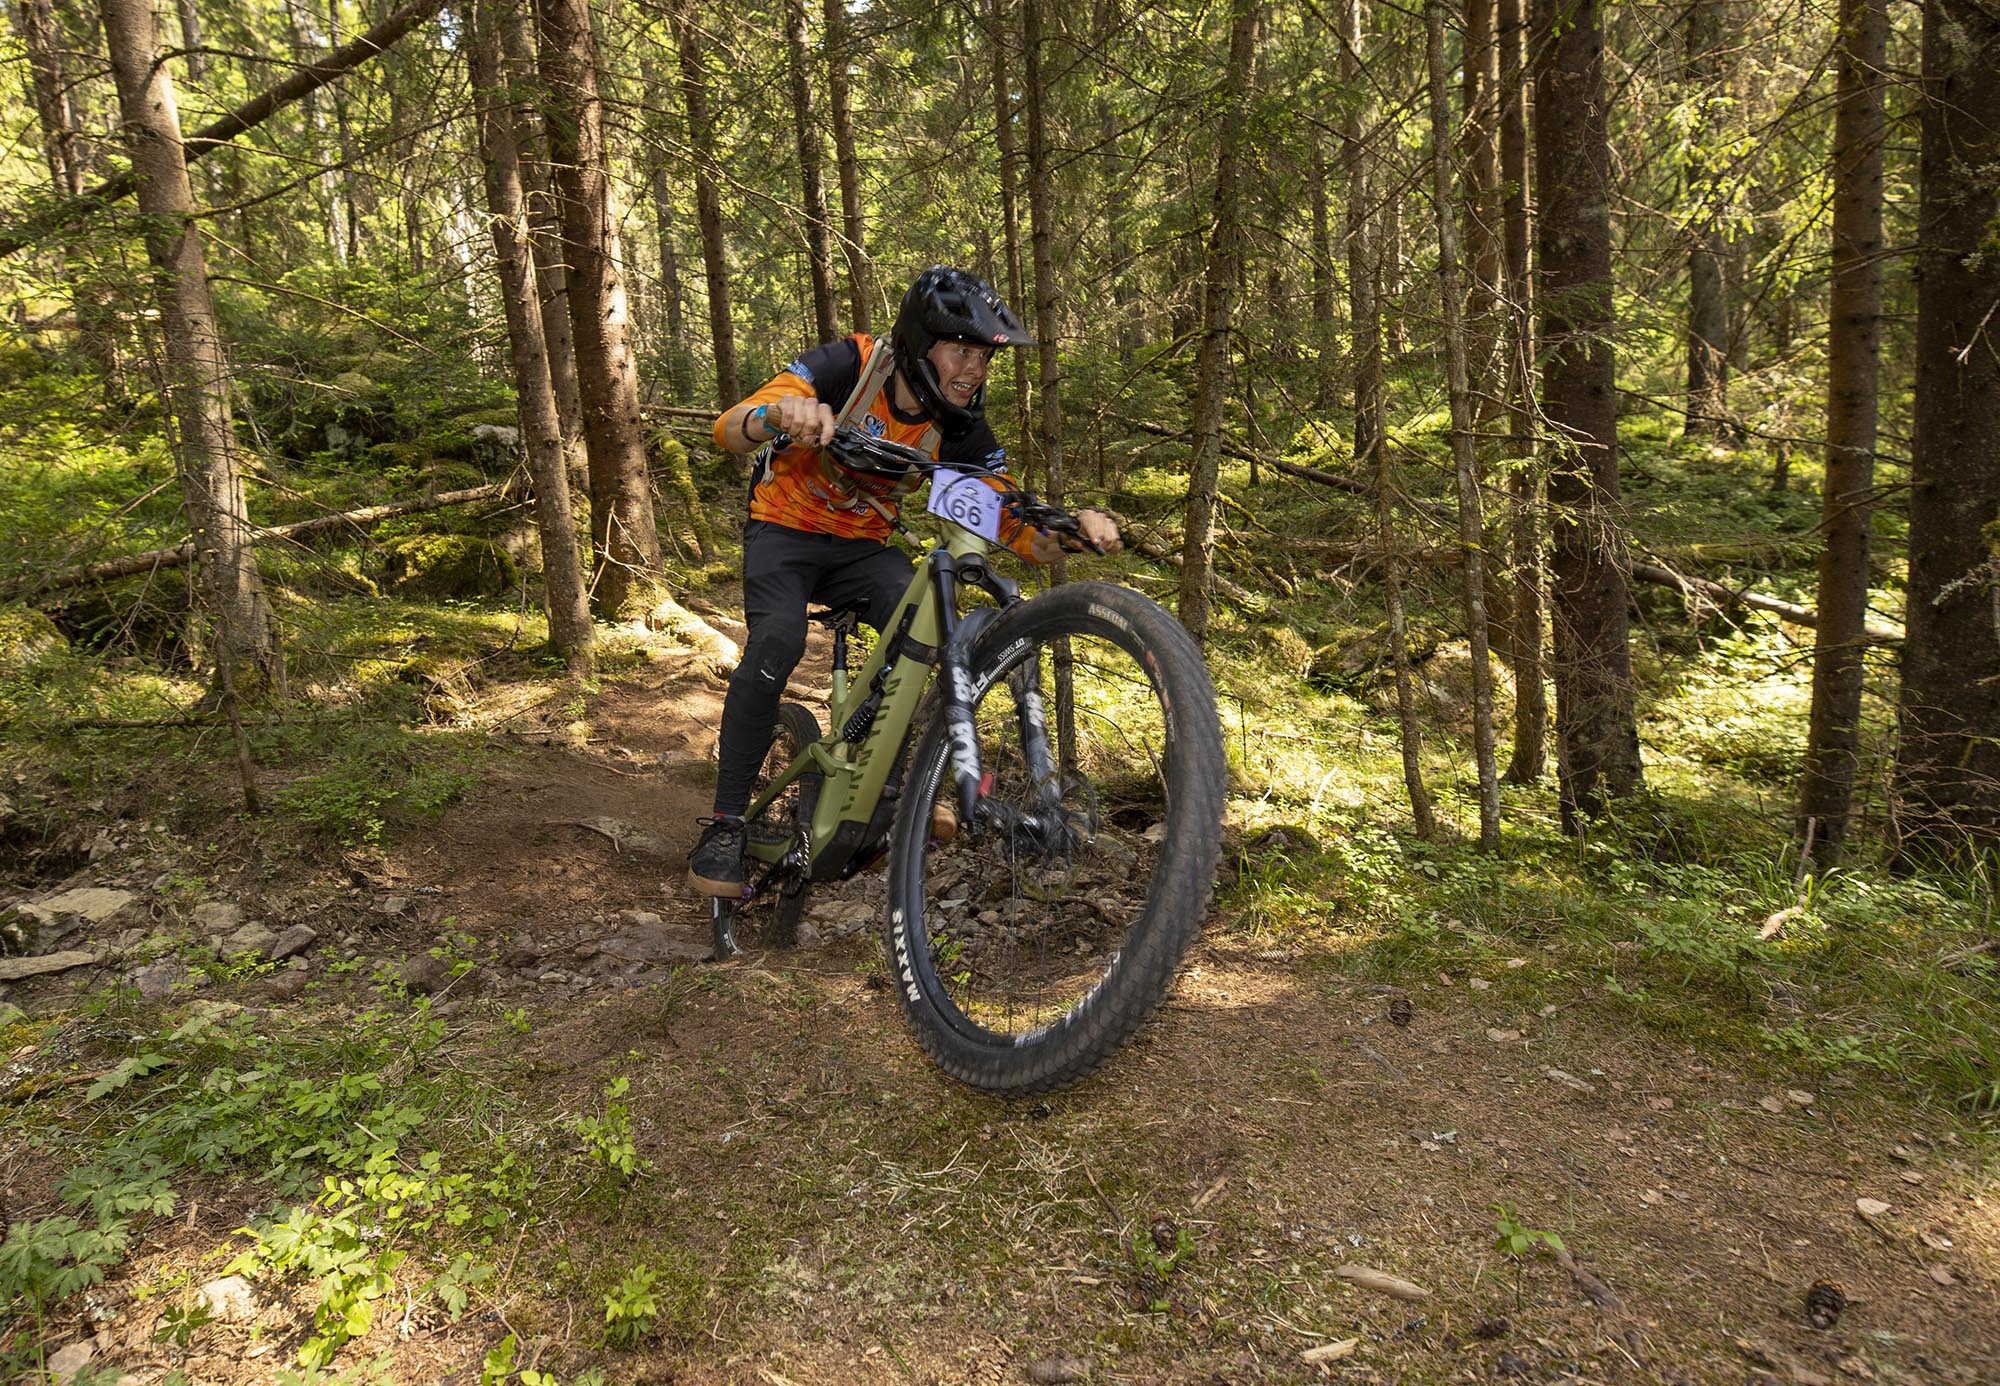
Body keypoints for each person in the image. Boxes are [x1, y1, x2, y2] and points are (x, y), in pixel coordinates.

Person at [688, 266, 1121, 897]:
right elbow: (728, 428)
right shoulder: (850, 366)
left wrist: (1073, 531)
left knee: (928, 625)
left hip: (864, 549)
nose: (974, 370)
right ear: (919, 345)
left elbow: (1017, 531)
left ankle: (888, 790)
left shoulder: (960, 427)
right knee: (777, 641)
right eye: (962, 351)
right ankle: (725, 824)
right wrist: (780, 415)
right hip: (782, 531)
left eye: (985, 357)